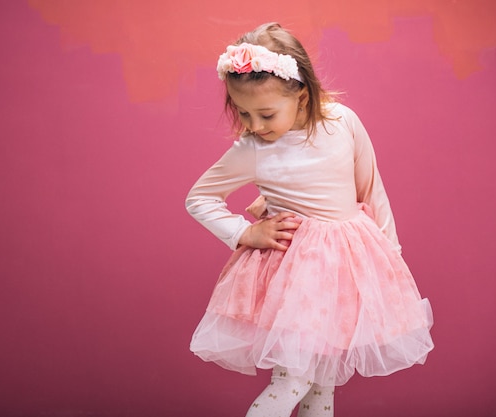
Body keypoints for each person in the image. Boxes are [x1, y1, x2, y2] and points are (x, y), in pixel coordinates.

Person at [185, 22, 434, 416]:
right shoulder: (252, 148)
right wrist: (244, 232)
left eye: (266, 114)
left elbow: (371, 191)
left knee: (323, 384)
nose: (254, 126)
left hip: (348, 270)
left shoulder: (343, 122)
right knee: (293, 380)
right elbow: (199, 198)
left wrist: (392, 260)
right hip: (298, 277)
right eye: (244, 113)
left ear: (302, 95)